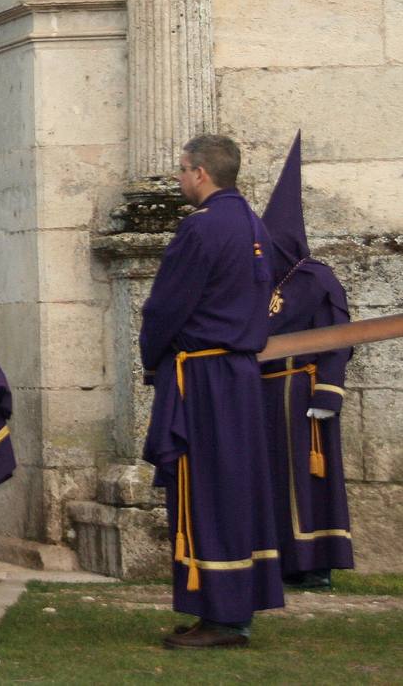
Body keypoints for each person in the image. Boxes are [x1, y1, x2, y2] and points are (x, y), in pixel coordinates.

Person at [140, 135, 284, 649]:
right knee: (235, 490)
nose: (179, 180)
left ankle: (222, 617)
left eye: (181, 170)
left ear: (201, 172)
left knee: (206, 490)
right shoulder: (254, 225)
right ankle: (228, 609)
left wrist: (153, 358)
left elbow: (165, 306)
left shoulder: (201, 227)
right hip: (241, 374)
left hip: (203, 378)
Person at [259, 133, 354, 589]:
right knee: (274, 478)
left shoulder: (318, 279)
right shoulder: (257, 283)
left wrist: (328, 391)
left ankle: (316, 562)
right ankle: (280, 557)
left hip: (304, 394)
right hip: (264, 394)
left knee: (308, 478)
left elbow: (339, 337)